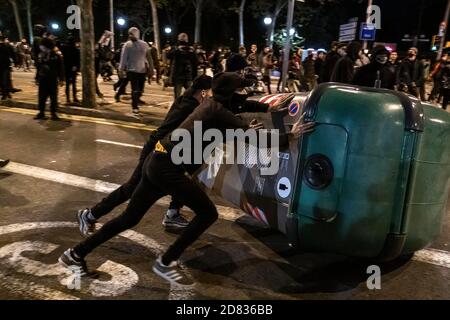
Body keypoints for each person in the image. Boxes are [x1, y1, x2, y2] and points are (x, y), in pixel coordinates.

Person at [60, 72, 314, 285]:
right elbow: (253, 137)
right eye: (241, 90)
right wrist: (292, 133)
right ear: (230, 92)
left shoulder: (211, 105)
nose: (245, 94)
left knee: (129, 218)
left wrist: (260, 115)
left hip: (157, 161)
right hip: (168, 169)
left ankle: (75, 253)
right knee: (207, 214)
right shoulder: (218, 111)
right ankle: (165, 262)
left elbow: (236, 120)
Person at [119, 27, 154, 114]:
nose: (130, 35)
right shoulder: (127, 45)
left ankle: (137, 100)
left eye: (132, 34)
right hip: (131, 70)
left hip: (142, 70)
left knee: (141, 89)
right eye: (129, 34)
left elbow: (149, 58)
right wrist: (121, 69)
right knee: (134, 89)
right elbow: (123, 58)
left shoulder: (144, 44)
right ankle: (135, 106)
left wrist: (151, 68)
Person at [34, 38, 64, 121]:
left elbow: (61, 68)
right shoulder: (40, 55)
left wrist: (61, 79)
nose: (41, 47)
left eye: (42, 46)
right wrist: (37, 78)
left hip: (52, 79)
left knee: (53, 97)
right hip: (43, 79)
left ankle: (53, 113)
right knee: (42, 97)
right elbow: (38, 67)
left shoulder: (56, 55)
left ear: (47, 46)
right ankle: (41, 112)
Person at [167, 33, 197, 99]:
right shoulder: (176, 48)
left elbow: (194, 62)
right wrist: (177, 49)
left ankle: (184, 107)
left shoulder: (190, 49)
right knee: (178, 96)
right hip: (179, 74)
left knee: (189, 95)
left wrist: (191, 51)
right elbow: (168, 56)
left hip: (187, 74)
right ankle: (178, 107)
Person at [60, 36, 80, 104]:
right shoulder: (75, 49)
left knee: (68, 84)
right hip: (73, 68)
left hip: (66, 68)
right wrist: (76, 67)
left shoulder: (64, 48)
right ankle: (74, 98)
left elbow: (63, 59)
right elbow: (77, 59)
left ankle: (68, 98)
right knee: (73, 84)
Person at [0, 36, 15, 100]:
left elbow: (12, 54)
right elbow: (12, 54)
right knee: (7, 80)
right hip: (6, 65)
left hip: (3, 66)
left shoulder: (7, 46)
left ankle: (5, 94)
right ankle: (7, 94)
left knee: (3, 80)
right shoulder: (7, 46)